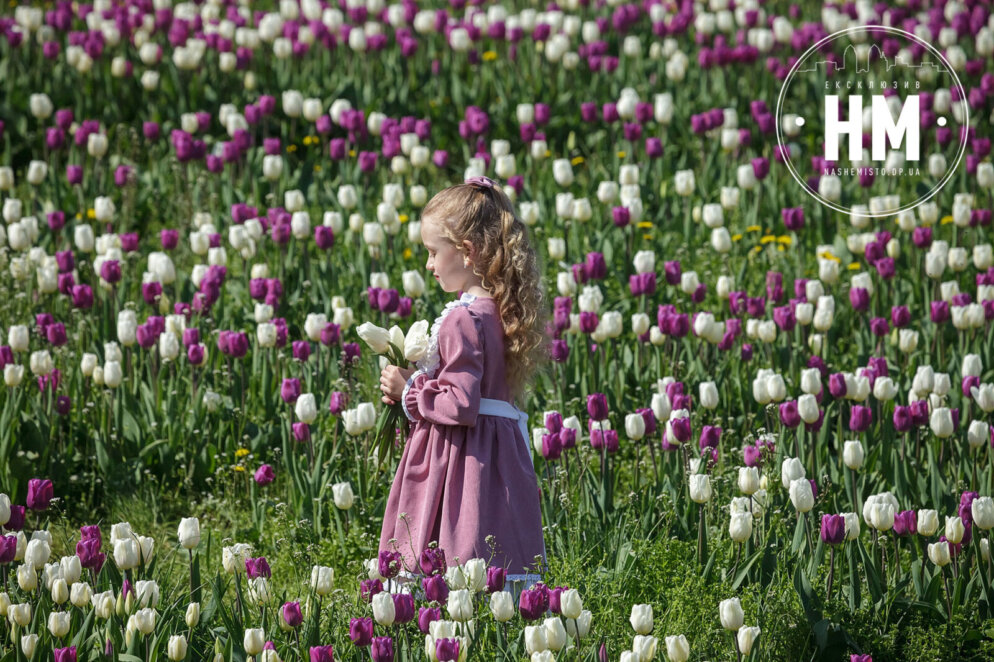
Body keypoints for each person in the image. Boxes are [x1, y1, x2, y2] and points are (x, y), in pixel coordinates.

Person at [377, 175, 549, 601]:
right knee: (492, 534)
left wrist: (410, 387)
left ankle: (443, 613)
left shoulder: (462, 317)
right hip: (500, 453)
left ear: (468, 252)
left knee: (455, 535)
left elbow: (460, 403)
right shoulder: (500, 312)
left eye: (434, 252)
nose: (430, 265)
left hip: (461, 454)